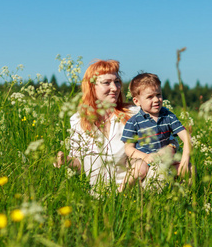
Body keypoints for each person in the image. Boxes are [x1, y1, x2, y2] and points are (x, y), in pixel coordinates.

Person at [55, 59, 157, 190]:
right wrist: (65, 161)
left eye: (117, 82)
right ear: (91, 87)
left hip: (134, 192)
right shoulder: (78, 121)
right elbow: (81, 166)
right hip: (98, 194)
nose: (115, 88)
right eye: (106, 83)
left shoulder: (135, 114)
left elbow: (157, 148)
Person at [121, 73, 192, 181]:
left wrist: (184, 161)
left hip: (165, 160)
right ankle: (122, 193)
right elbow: (128, 148)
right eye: (150, 97)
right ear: (136, 101)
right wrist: (145, 157)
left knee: (191, 169)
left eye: (158, 94)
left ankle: (186, 196)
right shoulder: (133, 122)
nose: (156, 100)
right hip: (143, 160)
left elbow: (187, 139)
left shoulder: (168, 116)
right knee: (139, 169)